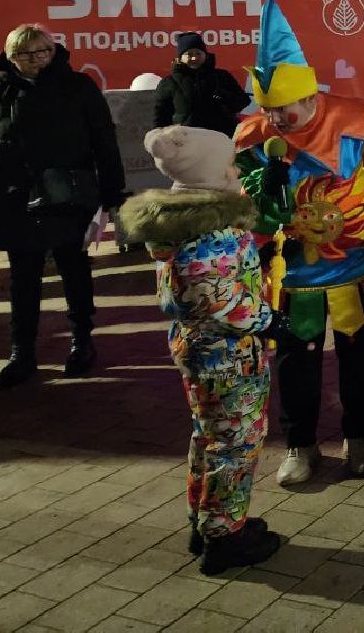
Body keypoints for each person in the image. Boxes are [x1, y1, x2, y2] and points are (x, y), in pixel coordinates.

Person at [235, 1, 364, 485]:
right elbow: (243, 208)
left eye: (283, 108)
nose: (276, 117)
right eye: (267, 108)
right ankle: (300, 444)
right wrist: (258, 217)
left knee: (360, 361)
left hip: (355, 271)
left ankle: (359, 436)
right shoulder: (253, 138)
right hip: (292, 278)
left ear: (308, 95)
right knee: (295, 365)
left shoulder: (362, 124)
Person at [119, 126, 281, 576]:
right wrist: (268, 319)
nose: (236, 172)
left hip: (199, 349)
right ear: (212, 174)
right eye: (230, 165)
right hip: (227, 353)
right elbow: (217, 296)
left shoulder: (184, 224)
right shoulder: (212, 231)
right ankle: (224, 537)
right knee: (236, 442)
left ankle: (205, 518)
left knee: (209, 435)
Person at [0, 24, 127, 390]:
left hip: (68, 194)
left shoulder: (78, 86)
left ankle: (81, 342)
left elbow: (104, 139)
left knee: (73, 268)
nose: (35, 60)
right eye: (25, 54)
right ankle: (21, 352)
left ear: (53, 52)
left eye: (42, 52)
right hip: (16, 196)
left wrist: (113, 193)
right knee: (23, 276)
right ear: (11, 57)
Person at [154, 33, 253, 136]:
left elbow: (243, 101)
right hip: (185, 139)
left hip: (222, 137)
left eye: (198, 53)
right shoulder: (170, 82)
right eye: (189, 54)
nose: (194, 58)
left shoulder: (221, 76)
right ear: (180, 57)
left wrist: (224, 96)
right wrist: (158, 136)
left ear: (205, 55)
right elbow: (160, 114)